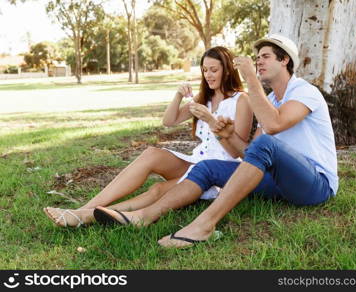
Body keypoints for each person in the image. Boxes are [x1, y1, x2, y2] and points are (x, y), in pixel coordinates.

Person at [92, 34, 339, 249]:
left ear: (285, 60)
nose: (258, 61)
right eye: (257, 58)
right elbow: (249, 154)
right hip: (280, 184)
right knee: (206, 167)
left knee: (266, 144)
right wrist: (228, 134)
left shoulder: (304, 91)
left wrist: (251, 79)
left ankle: (204, 225)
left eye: (265, 56)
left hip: (316, 185)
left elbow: (274, 126)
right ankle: (145, 215)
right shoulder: (271, 100)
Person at [43, 46, 253, 227]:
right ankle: (85, 208)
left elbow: (237, 151)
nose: (208, 75)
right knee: (152, 153)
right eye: (205, 70)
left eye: (214, 70)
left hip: (219, 169)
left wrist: (210, 120)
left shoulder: (241, 100)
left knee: (157, 190)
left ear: (227, 71)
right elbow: (169, 121)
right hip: (195, 159)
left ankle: (88, 216)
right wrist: (178, 95)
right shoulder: (204, 97)